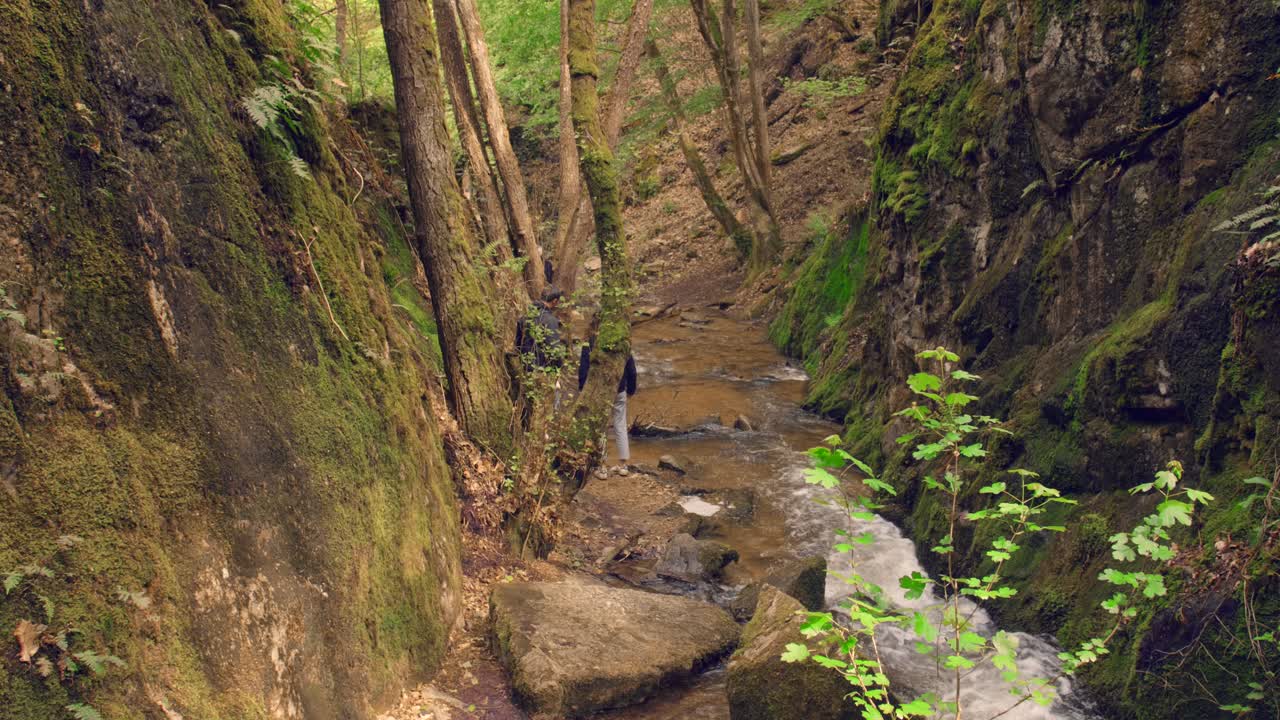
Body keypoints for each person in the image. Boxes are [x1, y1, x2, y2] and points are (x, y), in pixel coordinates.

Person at [577, 336, 638, 464]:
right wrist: (631, 390)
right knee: (620, 425)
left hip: (598, 391)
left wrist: (583, 390)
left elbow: (583, 369)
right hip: (619, 389)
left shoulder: (590, 342)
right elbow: (632, 371)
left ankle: (602, 466)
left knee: (600, 426)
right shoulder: (622, 341)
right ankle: (623, 465)